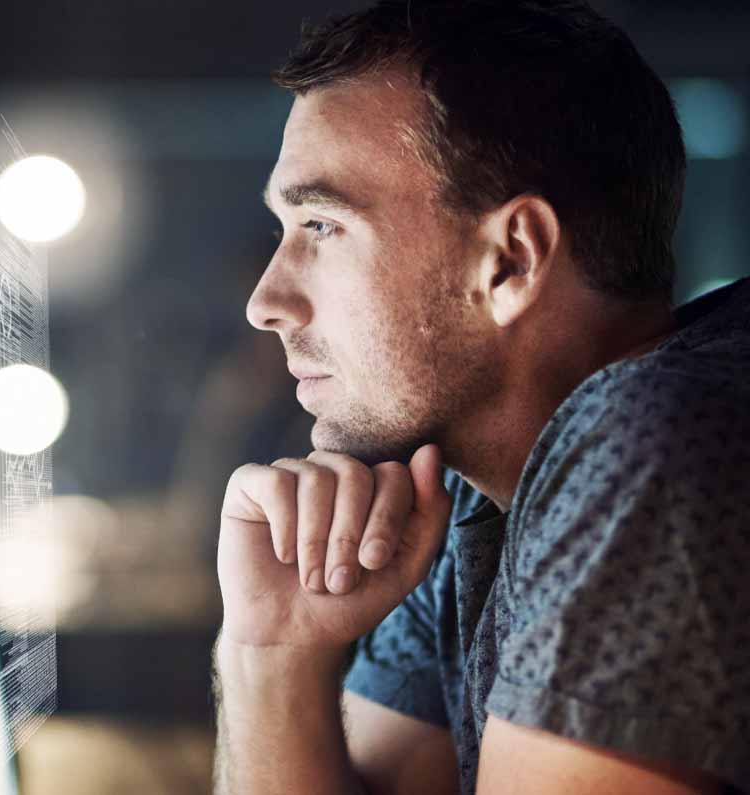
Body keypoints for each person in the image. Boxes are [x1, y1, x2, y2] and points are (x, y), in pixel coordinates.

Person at [211, 2, 750, 793]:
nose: (265, 300)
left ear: (510, 261)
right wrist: (271, 653)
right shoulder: (473, 490)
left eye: (322, 226)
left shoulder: (654, 442)